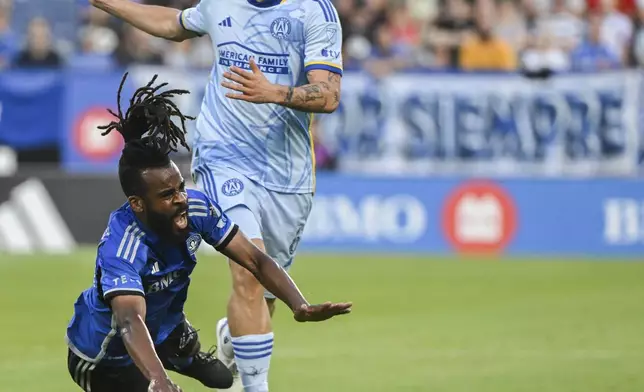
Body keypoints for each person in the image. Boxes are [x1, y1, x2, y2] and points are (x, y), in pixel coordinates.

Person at [88, 0, 344, 390]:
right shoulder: (220, 3)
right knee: (247, 273)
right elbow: (173, 24)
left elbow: (328, 95)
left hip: (286, 174)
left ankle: (233, 339)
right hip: (224, 156)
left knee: (264, 287)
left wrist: (274, 92)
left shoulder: (314, 11)